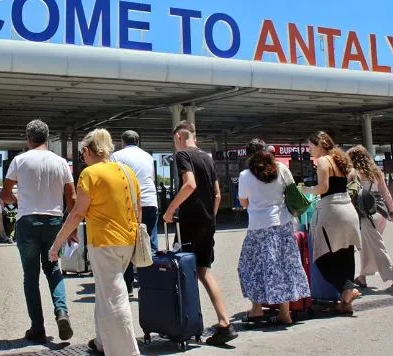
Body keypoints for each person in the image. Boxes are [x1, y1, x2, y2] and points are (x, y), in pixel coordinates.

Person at [49, 128, 141, 355]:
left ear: (88, 151)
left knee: (114, 298)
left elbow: (78, 213)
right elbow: (138, 210)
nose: (83, 157)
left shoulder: (90, 174)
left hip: (104, 242)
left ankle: (127, 351)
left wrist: (57, 243)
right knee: (105, 292)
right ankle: (102, 342)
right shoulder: (127, 171)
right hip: (127, 241)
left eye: (82, 153)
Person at [1, 120, 77, 343]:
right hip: (54, 222)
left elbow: (5, 195)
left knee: (31, 277)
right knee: (54, 269)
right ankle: (62, 313)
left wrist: (18, 198)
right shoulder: (61, 162)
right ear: (47, 138)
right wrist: (71, 228)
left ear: (27, 138)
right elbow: (71, 199)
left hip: (28, 222)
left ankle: (38, 328)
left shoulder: (19, 160)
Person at [163, 121, 238, 345]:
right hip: (207, 222)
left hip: (189, 223)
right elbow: (216, 194)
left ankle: (185, 324)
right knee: (204, 271)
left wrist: (170, 209)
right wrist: (211, 217)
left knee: (183, 271)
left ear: (178, 137)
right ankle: (224, 322)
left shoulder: (182, 156)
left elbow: (189, 185)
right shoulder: (207, 157)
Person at [237, 139, 310, 325]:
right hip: (283, 223)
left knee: (251, 266)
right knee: (283, 265)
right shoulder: (281, 169)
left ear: (248, 155)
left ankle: (256, 308)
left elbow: (244, 202)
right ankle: (285, 313)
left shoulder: (245, 175)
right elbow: (293, 192)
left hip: (258, 226)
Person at [301, 131, 362, 314]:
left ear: (319, 145)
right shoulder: (340, 160)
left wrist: (306, 189)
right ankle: (346, 303)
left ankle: (348, 290)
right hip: (348, 209)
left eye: (310, 147)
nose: (309, 151)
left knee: (322, 257)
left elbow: (324, 187)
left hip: (332, 210)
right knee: (346, 254)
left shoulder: (322, 161)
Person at [347, 146, 393, 293]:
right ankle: (362, 278)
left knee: (377, 247)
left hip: (366, 215)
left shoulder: (353, 173)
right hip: (380, 213)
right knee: (367, 245)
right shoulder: (377, 172)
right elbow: (386, 193)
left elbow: (349, 193)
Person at [110, 130, 159, 295]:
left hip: (129, 204)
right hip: (150, 201)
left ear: (122, 141)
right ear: (139, 141)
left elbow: (114, 181)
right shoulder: (148, 156)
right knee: (149, 240)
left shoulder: (116, 156)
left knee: (128, 242)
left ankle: (128, 285)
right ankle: (152, 282)